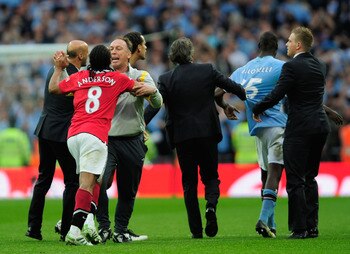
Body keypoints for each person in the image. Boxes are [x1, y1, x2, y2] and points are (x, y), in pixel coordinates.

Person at [144, 37, 246, 239]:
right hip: (207, 132)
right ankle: (210, 206)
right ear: (191, 54)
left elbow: (156, 105)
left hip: (182, 136)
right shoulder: (207, 70)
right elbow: (234, 87)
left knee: (189, 183)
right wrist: (244, 98)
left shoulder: (166, 78)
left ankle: (196, 231)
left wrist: (140, 124)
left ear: (172, 57)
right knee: (210, 177)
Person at [49, 44, 147, 245]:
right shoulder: (117, 79)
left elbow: (53, 89)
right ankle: (75, 231)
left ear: (91, 61)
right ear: (108, 61)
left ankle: (89, 223)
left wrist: (59, 69)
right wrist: (150, 88)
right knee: (87, 183)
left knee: (95, 181)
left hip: (74, 136)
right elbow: (138, 89)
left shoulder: (79, 77)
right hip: (94, 136)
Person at [252, 26, 342, 239]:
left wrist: (257, 108)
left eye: (290, 41)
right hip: (320, 127)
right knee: (311, 177)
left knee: (295, 179)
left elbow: (277, 94)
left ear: (299, 45)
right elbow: (312, 98)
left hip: (300, 128)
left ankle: (299, 228)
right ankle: (312, 227)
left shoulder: (291, 67)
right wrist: (328, 112)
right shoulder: (320, 65)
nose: (286, 44)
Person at [96, 36, 162, 243]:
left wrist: (154, 92)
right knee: (100, 183)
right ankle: (104, 227)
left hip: (132, 140)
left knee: (128, 189)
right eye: (111, 48)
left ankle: (120, 231)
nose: (113, 52)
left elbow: (158, 103)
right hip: (106, 140)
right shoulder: (100, 78)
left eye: (118, 49)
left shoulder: (142, 76)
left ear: (128, 54)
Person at [26, 40, 88, 241]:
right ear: (79, 56)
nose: (87, 56)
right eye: (86, 53)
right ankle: (66, 230)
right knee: (72, 181)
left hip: (45, 130)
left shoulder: (54, 71)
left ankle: (33, 228)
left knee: (43, 179)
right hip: (61, 134)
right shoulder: (75, 76)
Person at [229, 31, 286, 238]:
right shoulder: (281, 66)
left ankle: (271, 224)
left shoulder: (243, 69)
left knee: (265, 174)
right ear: (276, 48)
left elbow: (218, 92)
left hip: (257, 129)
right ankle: (263, 218)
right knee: (275, 173)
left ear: (258, 46)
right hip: (278, 125)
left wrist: (224, 106)